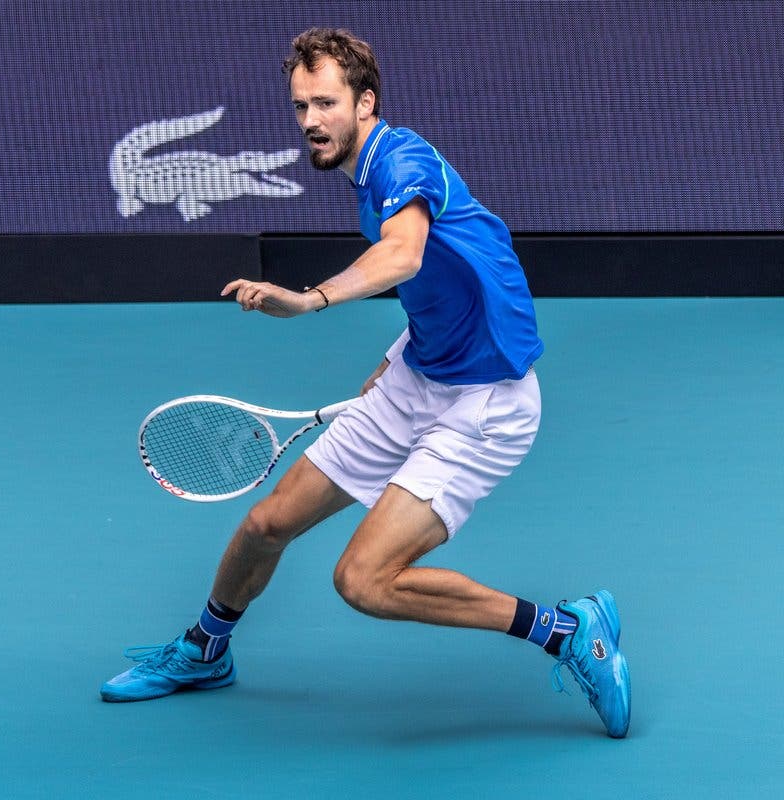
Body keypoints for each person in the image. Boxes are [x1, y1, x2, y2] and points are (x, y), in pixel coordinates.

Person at [101, 28, 630, 738]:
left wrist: (309, 300)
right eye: (300, 106)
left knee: (364, 579)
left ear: (365, 102)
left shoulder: (400, 159)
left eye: (325, 103)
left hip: (485, 406)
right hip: (419, 372)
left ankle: (567, 630)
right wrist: (399, 352)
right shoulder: (365, 178)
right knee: (267, 524)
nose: (310, 121)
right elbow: (444, 277)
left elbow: (405, 256)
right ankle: (204, 650)